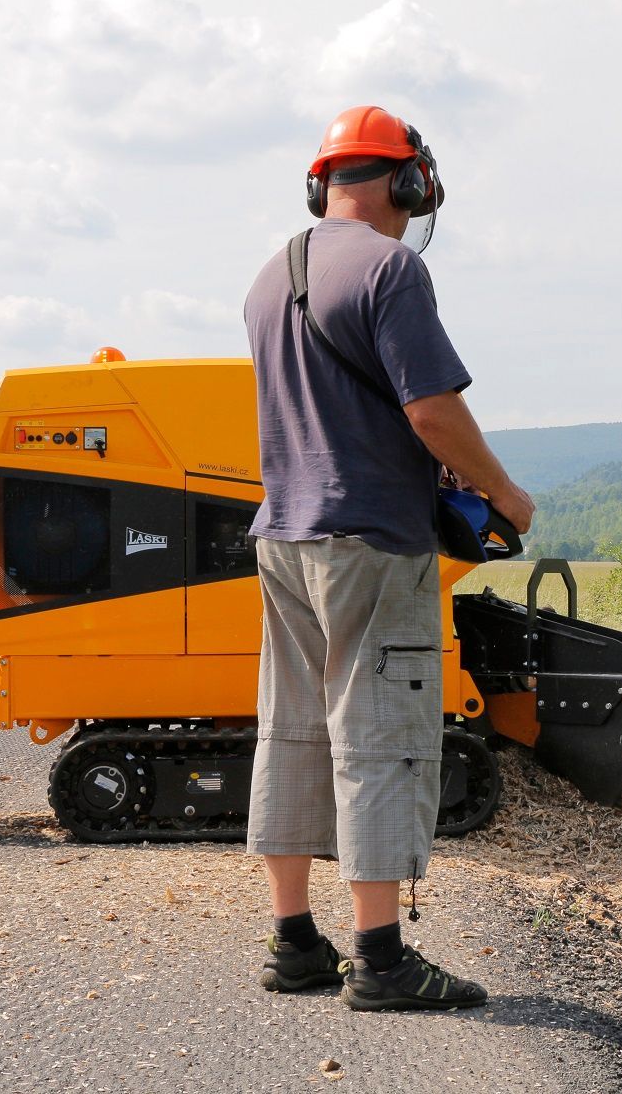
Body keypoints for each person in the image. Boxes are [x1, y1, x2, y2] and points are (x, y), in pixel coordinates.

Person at [241, 104, 535, 1012]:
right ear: (406, 182)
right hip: (371, 538)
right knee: (380, 733)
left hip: (284, 534)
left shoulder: (268, 275)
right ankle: (381, 958)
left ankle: (295, 942)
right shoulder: (391, 267)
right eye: (416, 191)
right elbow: (432, 410)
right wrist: (506, 493)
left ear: (321, 182)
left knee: (292, 729)